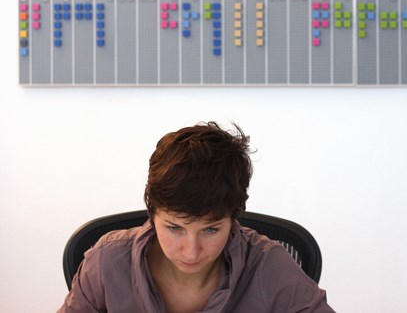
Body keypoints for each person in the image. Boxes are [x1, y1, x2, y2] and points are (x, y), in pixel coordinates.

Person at [59, 122, 335, 312]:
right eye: (174, 228)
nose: (191, 252)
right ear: (152, 212)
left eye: (211, 230)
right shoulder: (106, 263)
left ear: (234, 219)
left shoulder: (268, 266)